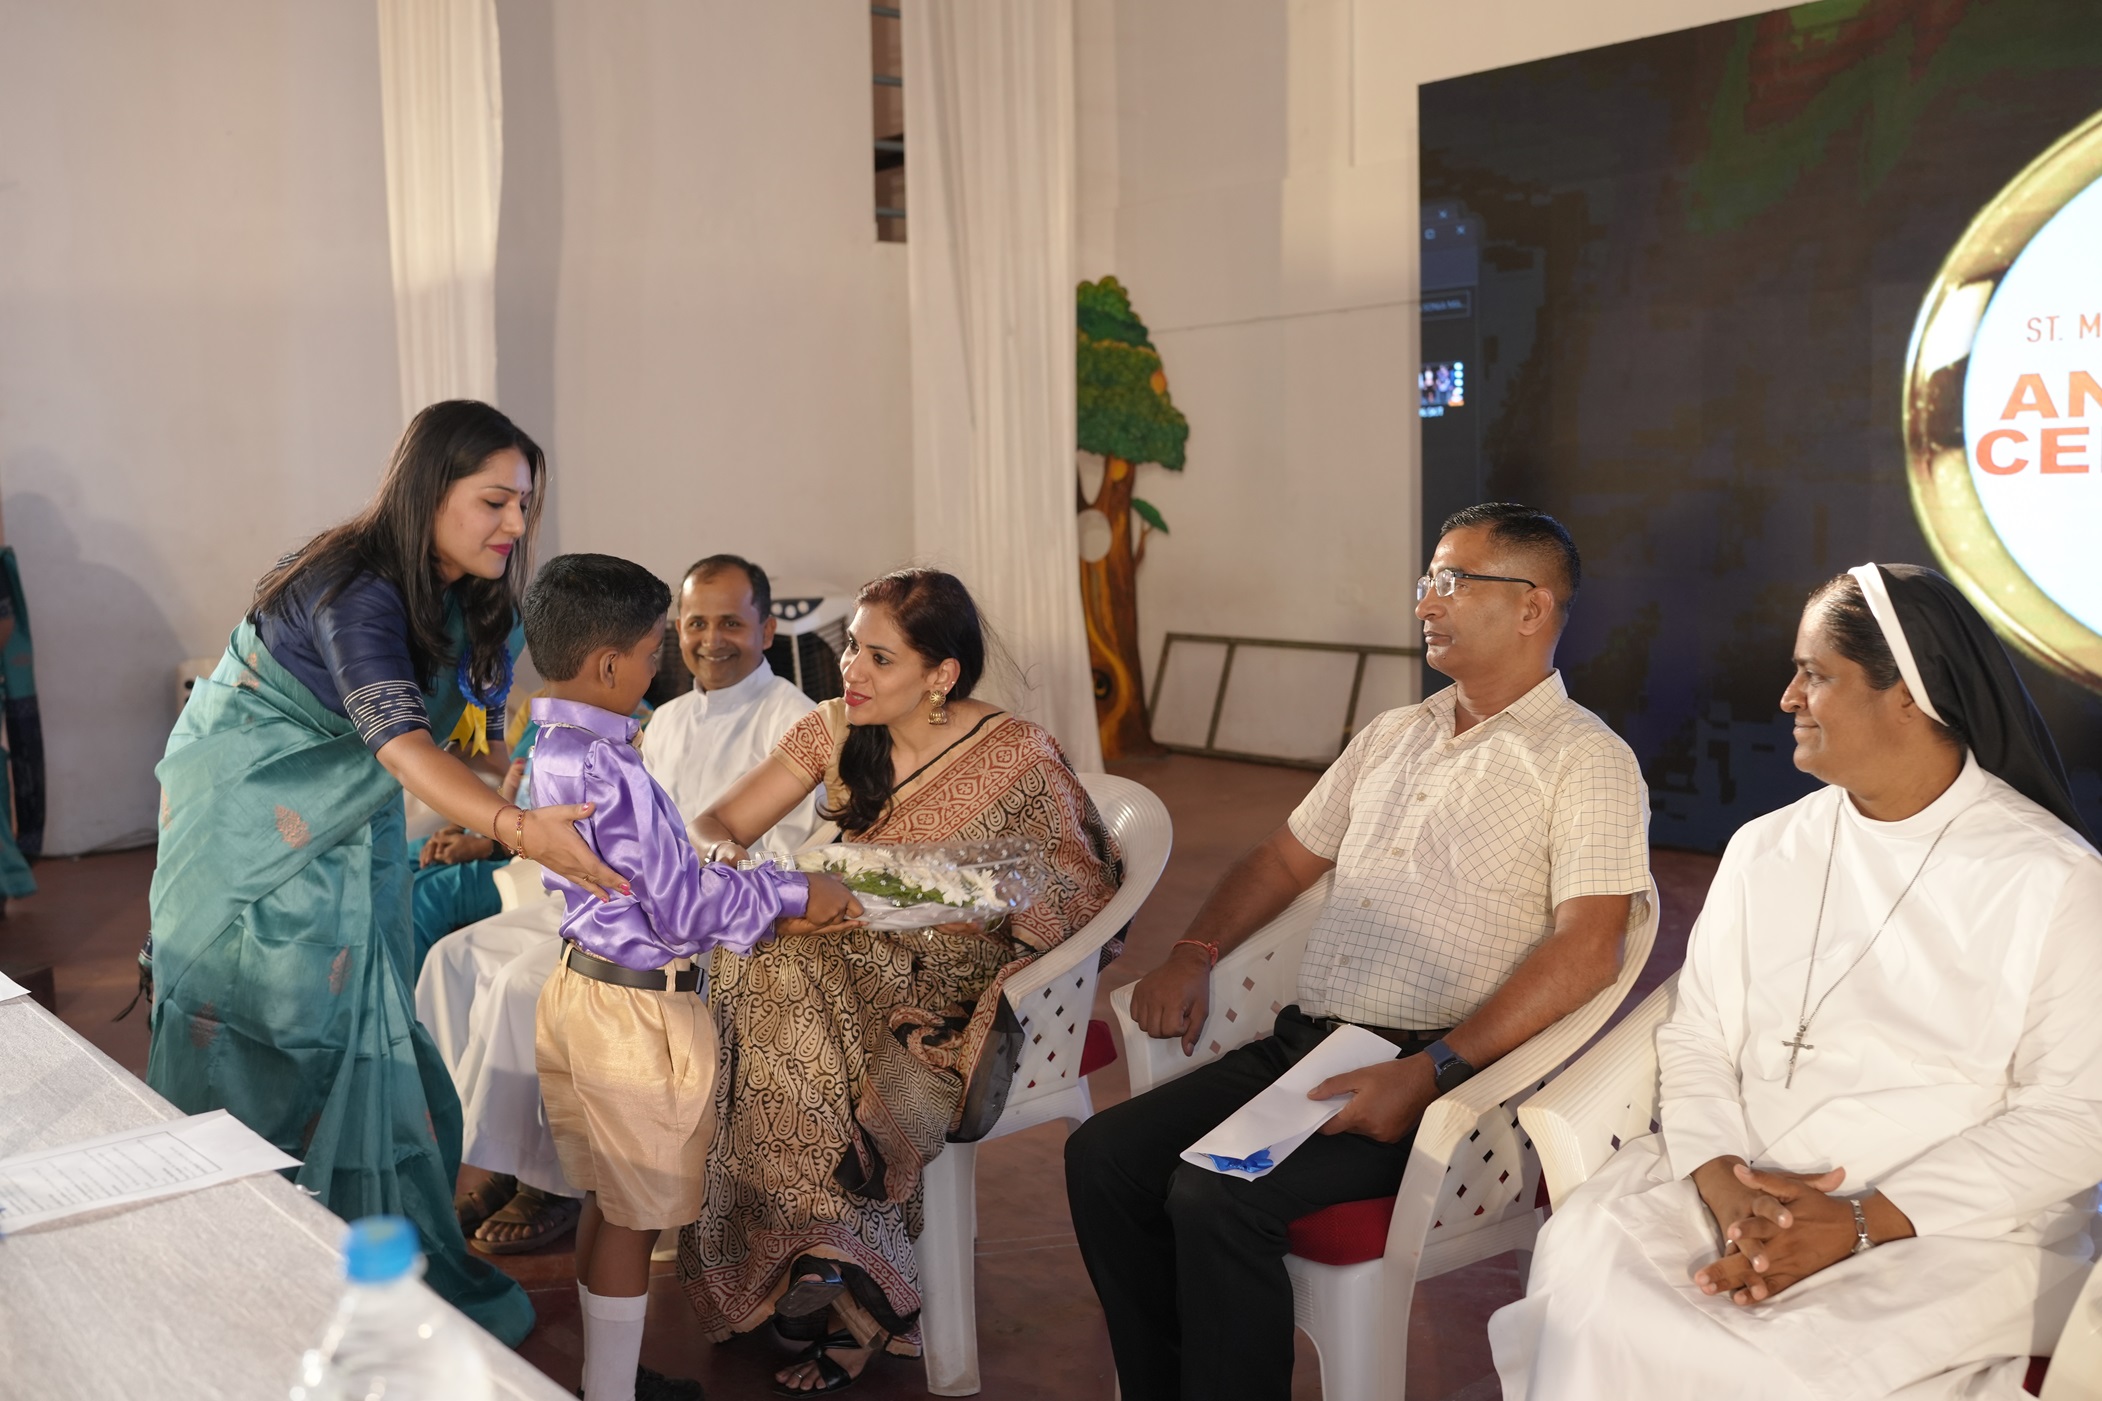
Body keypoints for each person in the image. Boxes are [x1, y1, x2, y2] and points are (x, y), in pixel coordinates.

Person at [1065, 503, 1652, 1401]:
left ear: (1533, 606)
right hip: (1308, 1050)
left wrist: (1431, 1069)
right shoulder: (1394, 732)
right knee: (1105, 1157)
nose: (1427, 602)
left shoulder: (1585, 758)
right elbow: (1281, 859)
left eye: (1454, 581)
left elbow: (1587, 951)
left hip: (1446, 1080)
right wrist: (1192, 950)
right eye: (1428, 580)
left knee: (1214, 1195)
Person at [1489, 563, 2102, 1401]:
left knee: (1767, 1369)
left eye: (1815, 674)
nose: (1787, 697)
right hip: (1734, 1188)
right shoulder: (1765, 847)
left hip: (1947, 1228)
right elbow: (1698, 1034)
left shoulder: (2054, 877)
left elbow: (2076, 1114)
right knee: (1594, 1293)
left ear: (1908, 696)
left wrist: (1859, 1221)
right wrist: (1724, 1186)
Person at [145, 401, 630, 1343]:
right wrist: (518, 830)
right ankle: (240, 1269)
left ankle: (357, 1255)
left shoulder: (466, 593)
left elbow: (471, 735)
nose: (515, 524)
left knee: (364, 1020)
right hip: (251, 828)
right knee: (263, 1026)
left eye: (524, 503)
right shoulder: (355, 589)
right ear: (428, 490)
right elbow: (403, 745)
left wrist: (553, 781)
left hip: (349, 820)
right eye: (494, 501)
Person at [678, 567, 1124, 1393]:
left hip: (959, 979)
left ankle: (842, 1271)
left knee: (777, 973)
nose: (852, 669)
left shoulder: (1018, 753)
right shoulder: (833, 727)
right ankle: (840, 1259)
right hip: (849, 952)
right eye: (852, 646)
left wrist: (972, 900)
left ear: (940, 674)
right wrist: (732, 858)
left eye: (879, 658)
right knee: (756, 955)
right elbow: (715, 822)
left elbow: (1084, 879)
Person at [517, 553, 858, 1401]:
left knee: (605, 1197)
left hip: (581, 990)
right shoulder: (613, 767)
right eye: (651, 652)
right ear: (609, 665)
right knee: (633, 1218)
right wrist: (794, 889)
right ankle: (610, 1391)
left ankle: (607, 1376)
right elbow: (679, 908)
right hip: (636, 1014)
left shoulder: (557, 744)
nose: (658, 667)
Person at [425, 552, 821, 1253]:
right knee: (454, 958)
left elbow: (768, 851)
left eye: (730, 622)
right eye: (694, 623)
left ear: (765, 628)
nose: (710, 639)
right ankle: (491, 1150)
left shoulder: (792, 717)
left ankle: (547, 1177)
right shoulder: (664, 718)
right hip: (626, 894)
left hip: (683, 914)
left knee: (520, 983)